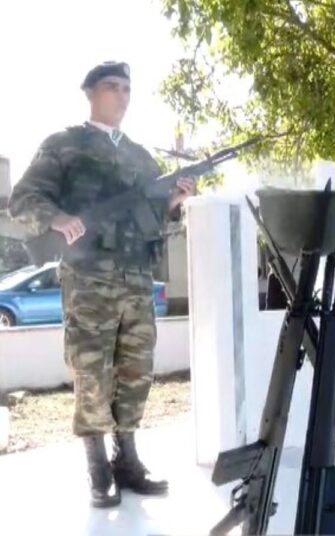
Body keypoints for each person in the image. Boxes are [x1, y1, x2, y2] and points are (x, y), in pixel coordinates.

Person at [8, 61, 195, 508]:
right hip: (88, 277)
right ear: (90, 93)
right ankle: (97, 466)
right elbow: (22, 199)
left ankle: (127, 459)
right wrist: (57, 217)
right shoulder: (64, 146)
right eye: (113, 86)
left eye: (127, 88)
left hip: (136, 279)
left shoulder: (140, 157)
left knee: (136, 371)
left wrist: (174, 201)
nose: (122, 95)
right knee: (92, 370)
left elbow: (153, 217)